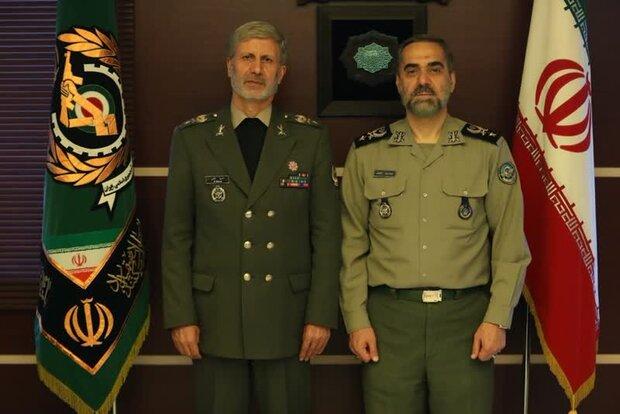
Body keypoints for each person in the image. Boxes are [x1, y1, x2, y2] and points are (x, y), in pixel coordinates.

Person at [339, 35, 531, 414]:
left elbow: (510, 245)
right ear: (399, 82)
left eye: (434, 69)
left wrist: (497, 319)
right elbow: (352, 246)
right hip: (389, 323)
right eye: (412, 70)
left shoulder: (488, 150)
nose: (423, 80)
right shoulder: (366, 152)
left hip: (465, 322)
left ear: (451, 80)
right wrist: (356, 320)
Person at [161, 21, 341, 414]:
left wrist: (321, 315)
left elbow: (327, 236)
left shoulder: (309, 139)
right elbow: (177, 237)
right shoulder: (192, 138)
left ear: (281, 72)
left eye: (267, 60)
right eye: (247, 58)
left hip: (288, 320)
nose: (256, 69)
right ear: (230, 65)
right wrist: (181, 316)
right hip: (215, 319)